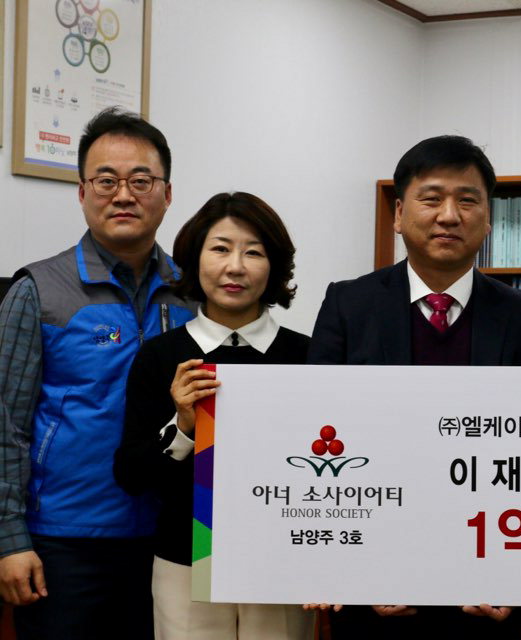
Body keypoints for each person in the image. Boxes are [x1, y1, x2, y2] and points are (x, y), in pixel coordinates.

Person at [307, 134, 521, 639]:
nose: (449, 215)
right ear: (399, 214)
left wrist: (515, 579)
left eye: (468, 200)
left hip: (483, 591)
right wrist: (355, 571)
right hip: (372, 587)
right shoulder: (348, 305)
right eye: (432, 198)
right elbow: (316, 431)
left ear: (489, 219)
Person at [0, 107, 193, 638]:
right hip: (63, 542)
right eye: (106, 180)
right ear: (82, 193)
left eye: (141, 180)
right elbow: (6, 425)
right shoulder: (38, 291)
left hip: (170, 538)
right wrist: (9, 538)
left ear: (167, 194)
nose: (123, 195)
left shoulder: (193, 293)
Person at [114, 192, 314, 639]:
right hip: (185, 559)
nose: (235, 267)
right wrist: (183, 426)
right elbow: (131, 475)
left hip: (281, 560)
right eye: (220, 249)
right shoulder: (160, 356)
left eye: (253, 252)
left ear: (275, 266)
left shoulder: (308, 355)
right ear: (194, 259)